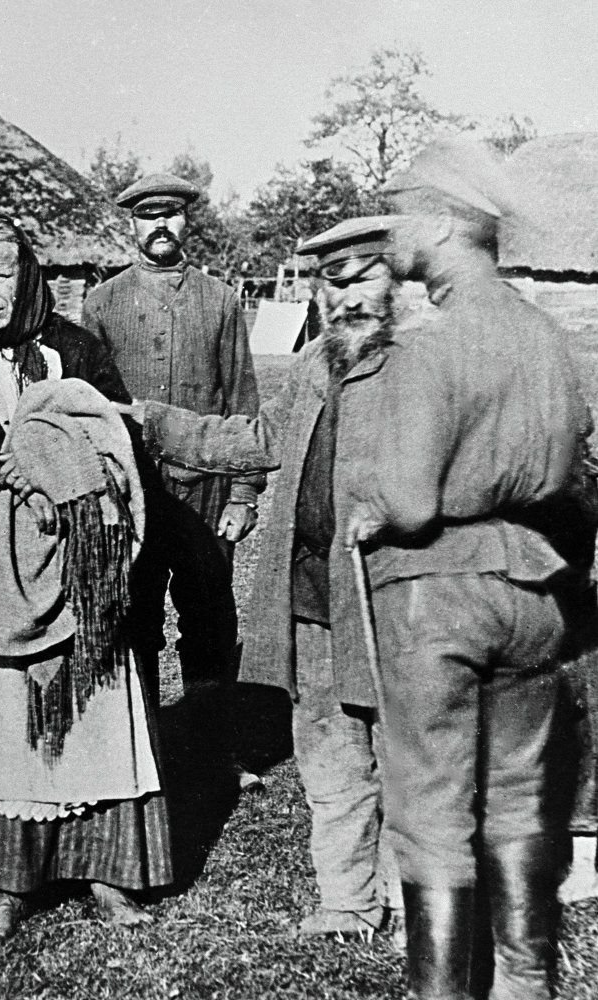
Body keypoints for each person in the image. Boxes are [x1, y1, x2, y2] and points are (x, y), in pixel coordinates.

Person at [342, 140, 598, 1000]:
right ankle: (526, 987)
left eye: (404, 212)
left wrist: (374, 506)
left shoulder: (429, 346)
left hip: (436, 601)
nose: (390, 232)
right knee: (523, 803)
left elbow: (412, 504)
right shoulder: (548, 340)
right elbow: (567, 470)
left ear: (448, 224)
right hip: (537, 593)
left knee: (430, 810)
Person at [111, 216, 409, 944]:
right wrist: (151, 419)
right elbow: (259, 438)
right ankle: (346, 900)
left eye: (362, 278)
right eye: (330, 283)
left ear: (399, 280)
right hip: (310, 589)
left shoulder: (430, 362)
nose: (345, 297)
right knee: (325, 746)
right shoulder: (315, 361)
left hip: (396, 596)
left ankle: (411, 899)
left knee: (407, 750)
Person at [0, 212, 170, 941]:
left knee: (91, 701)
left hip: (74, 551)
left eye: (0, 275)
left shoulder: (76, 348)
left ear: (29, 274)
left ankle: (106, 872)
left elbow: (116, 440)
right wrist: (7, 474)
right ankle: (6, 884)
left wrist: (61, 479)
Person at [81, 173, 263, 739]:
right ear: (130, 224)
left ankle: (211, 746)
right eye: (146, 216)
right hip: (131, 492)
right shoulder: (103, 303)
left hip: (206, 491)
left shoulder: (221, 300)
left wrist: (244, 492)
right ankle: (143, 747)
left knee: (209, 616)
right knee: (133, 617)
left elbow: (242, 401)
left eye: (171, 214)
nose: (159, 226)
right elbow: (89, 409)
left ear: (188, 221)